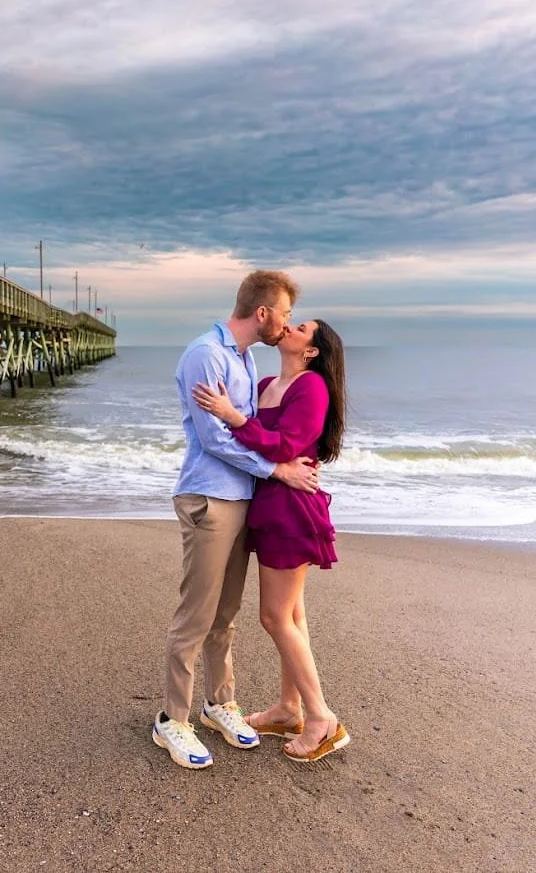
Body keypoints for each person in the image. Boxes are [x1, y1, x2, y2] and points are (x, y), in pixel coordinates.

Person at [153, 271, 320, 770]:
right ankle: (172, 720)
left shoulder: (245, 359)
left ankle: (219, 704)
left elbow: (252, 430)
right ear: (263, 313)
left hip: (241, 498)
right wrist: (277, 470)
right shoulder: (206, 353)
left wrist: (276, 466)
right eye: (286, 314)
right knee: (196, 616)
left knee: (225, 615)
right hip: (210, 496)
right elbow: (214, 440)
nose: (287, 324)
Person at [191, 317, 350, 762]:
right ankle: (288, 709)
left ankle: (321, 719)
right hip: (268, 501)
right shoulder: (264, 382)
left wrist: (234, 417)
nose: (290, 326)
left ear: (311, 350)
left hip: (292, 508)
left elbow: (285, 445)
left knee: (274, 617)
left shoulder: (311, 387)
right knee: (292, 614)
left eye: (300, 326)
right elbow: (256, 447)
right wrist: (236, 420)